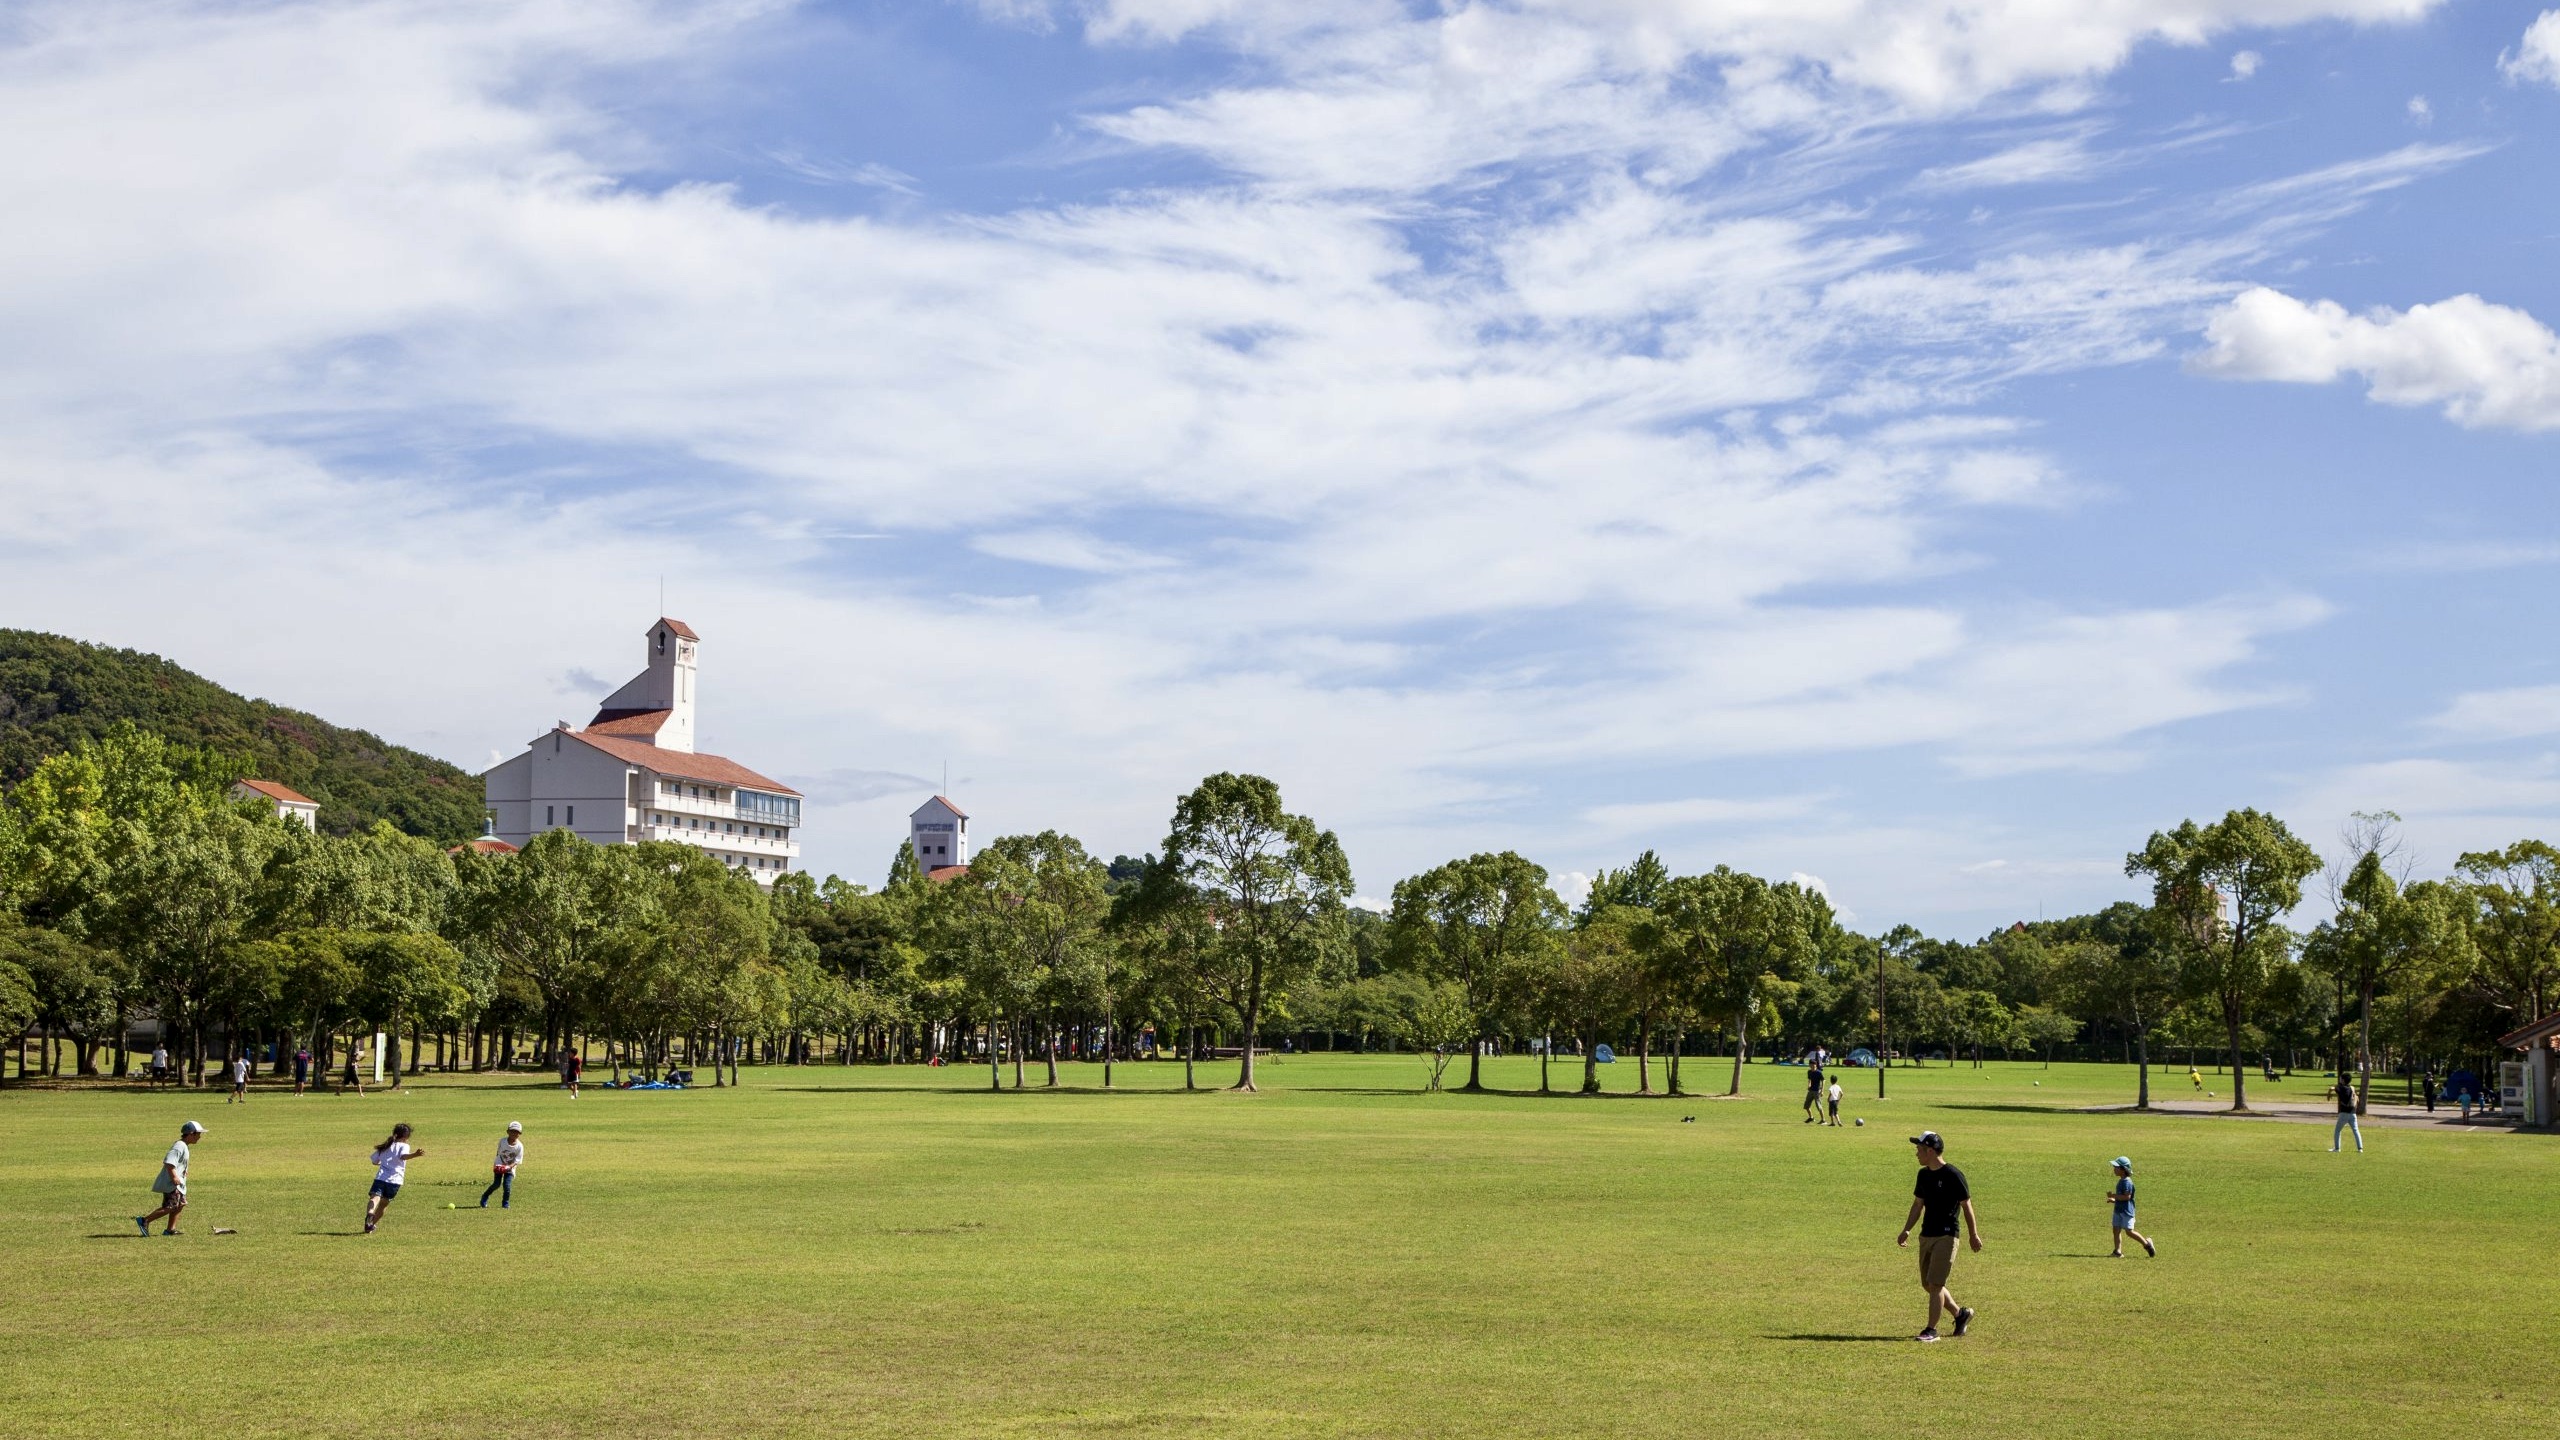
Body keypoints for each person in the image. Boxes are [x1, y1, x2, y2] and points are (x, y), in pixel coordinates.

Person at [1896, 1130, 1980, 1342]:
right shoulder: (1923, 1175)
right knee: (1928, 1285)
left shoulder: (1953, 1175)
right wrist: (1907, 1229)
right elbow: (1918, 1204)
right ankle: (1960, 1315)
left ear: (1931, 1151)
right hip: (1926, 1235)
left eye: (1919, 1149)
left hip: (1947, 1235)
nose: (1916, 1153)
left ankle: (1931, 1330)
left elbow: (1966, 1205)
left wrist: (1973, 1235)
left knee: (1935, 1285)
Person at [135, 1121, 204, 1236]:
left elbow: (178, 1163)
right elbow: (169, 1162)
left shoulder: (184, 1146)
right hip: (172, 1182)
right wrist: (174, 1177)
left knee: (181, 1203)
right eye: (198, 1134)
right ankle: (144, 1221)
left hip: (178, 1182)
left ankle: (170, 1230)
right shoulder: (179, 1146)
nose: (200, 1137)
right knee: (170, 1206)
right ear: (191, 1134)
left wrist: (183, 1171)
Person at [364, 1123, 425, 1233]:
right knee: (383, 1205)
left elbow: (374, 1161)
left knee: (374, 1198)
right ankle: (370, 1225)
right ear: (406, 1137)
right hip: (394, 1181)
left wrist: (385, 1163)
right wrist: (415, 1154)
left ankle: (371, 1212)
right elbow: (403, 1156)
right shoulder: (404, 1146)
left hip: (380, 1178)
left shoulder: (385, 1146)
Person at [2105, 1157, 2154, 1257]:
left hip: (2127, 1212)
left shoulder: (2127, 1182)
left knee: (2129, 1231)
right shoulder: (2121, 1180)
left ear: (2123, 1170)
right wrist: (2114, 1200)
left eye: (2116, 1167)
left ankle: (2147, 1244)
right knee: (2116, 1230)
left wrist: (2113, 1196)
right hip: (2118, 1210)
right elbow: (2121, 1198)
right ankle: (2117, 1252)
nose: (2114, 1169)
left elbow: (2127, 1197)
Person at [480, 1122, 525, 1209]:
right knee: (496, 1184)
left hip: (510, 1168)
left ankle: (505, 1203)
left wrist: (508, 1167)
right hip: (499, 1165)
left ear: (519, 1134)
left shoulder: (520, 1146)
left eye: (516, 1132)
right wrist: (499, 1166)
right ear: (508, 1131)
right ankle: (485, 1196)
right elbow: (499, 1154)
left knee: (507, 1185)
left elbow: (517, 1160)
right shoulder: (502, 1141)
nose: (514, 1134)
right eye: (512, 1131)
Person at [2331, 1070, 2363, 1153]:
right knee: (2356, 1130)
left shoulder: (2341, 1088)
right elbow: (2357, 1098)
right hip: (2353, 1112)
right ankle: (2360, 1148)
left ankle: (2337, 1148)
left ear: (2343, 1080)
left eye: (2341, 1079)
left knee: (2337, 1130)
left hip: (2344, 1113)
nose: (2340, 1080)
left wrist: (2330, 1092)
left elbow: (2333, 1088)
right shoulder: (2352, 1088)